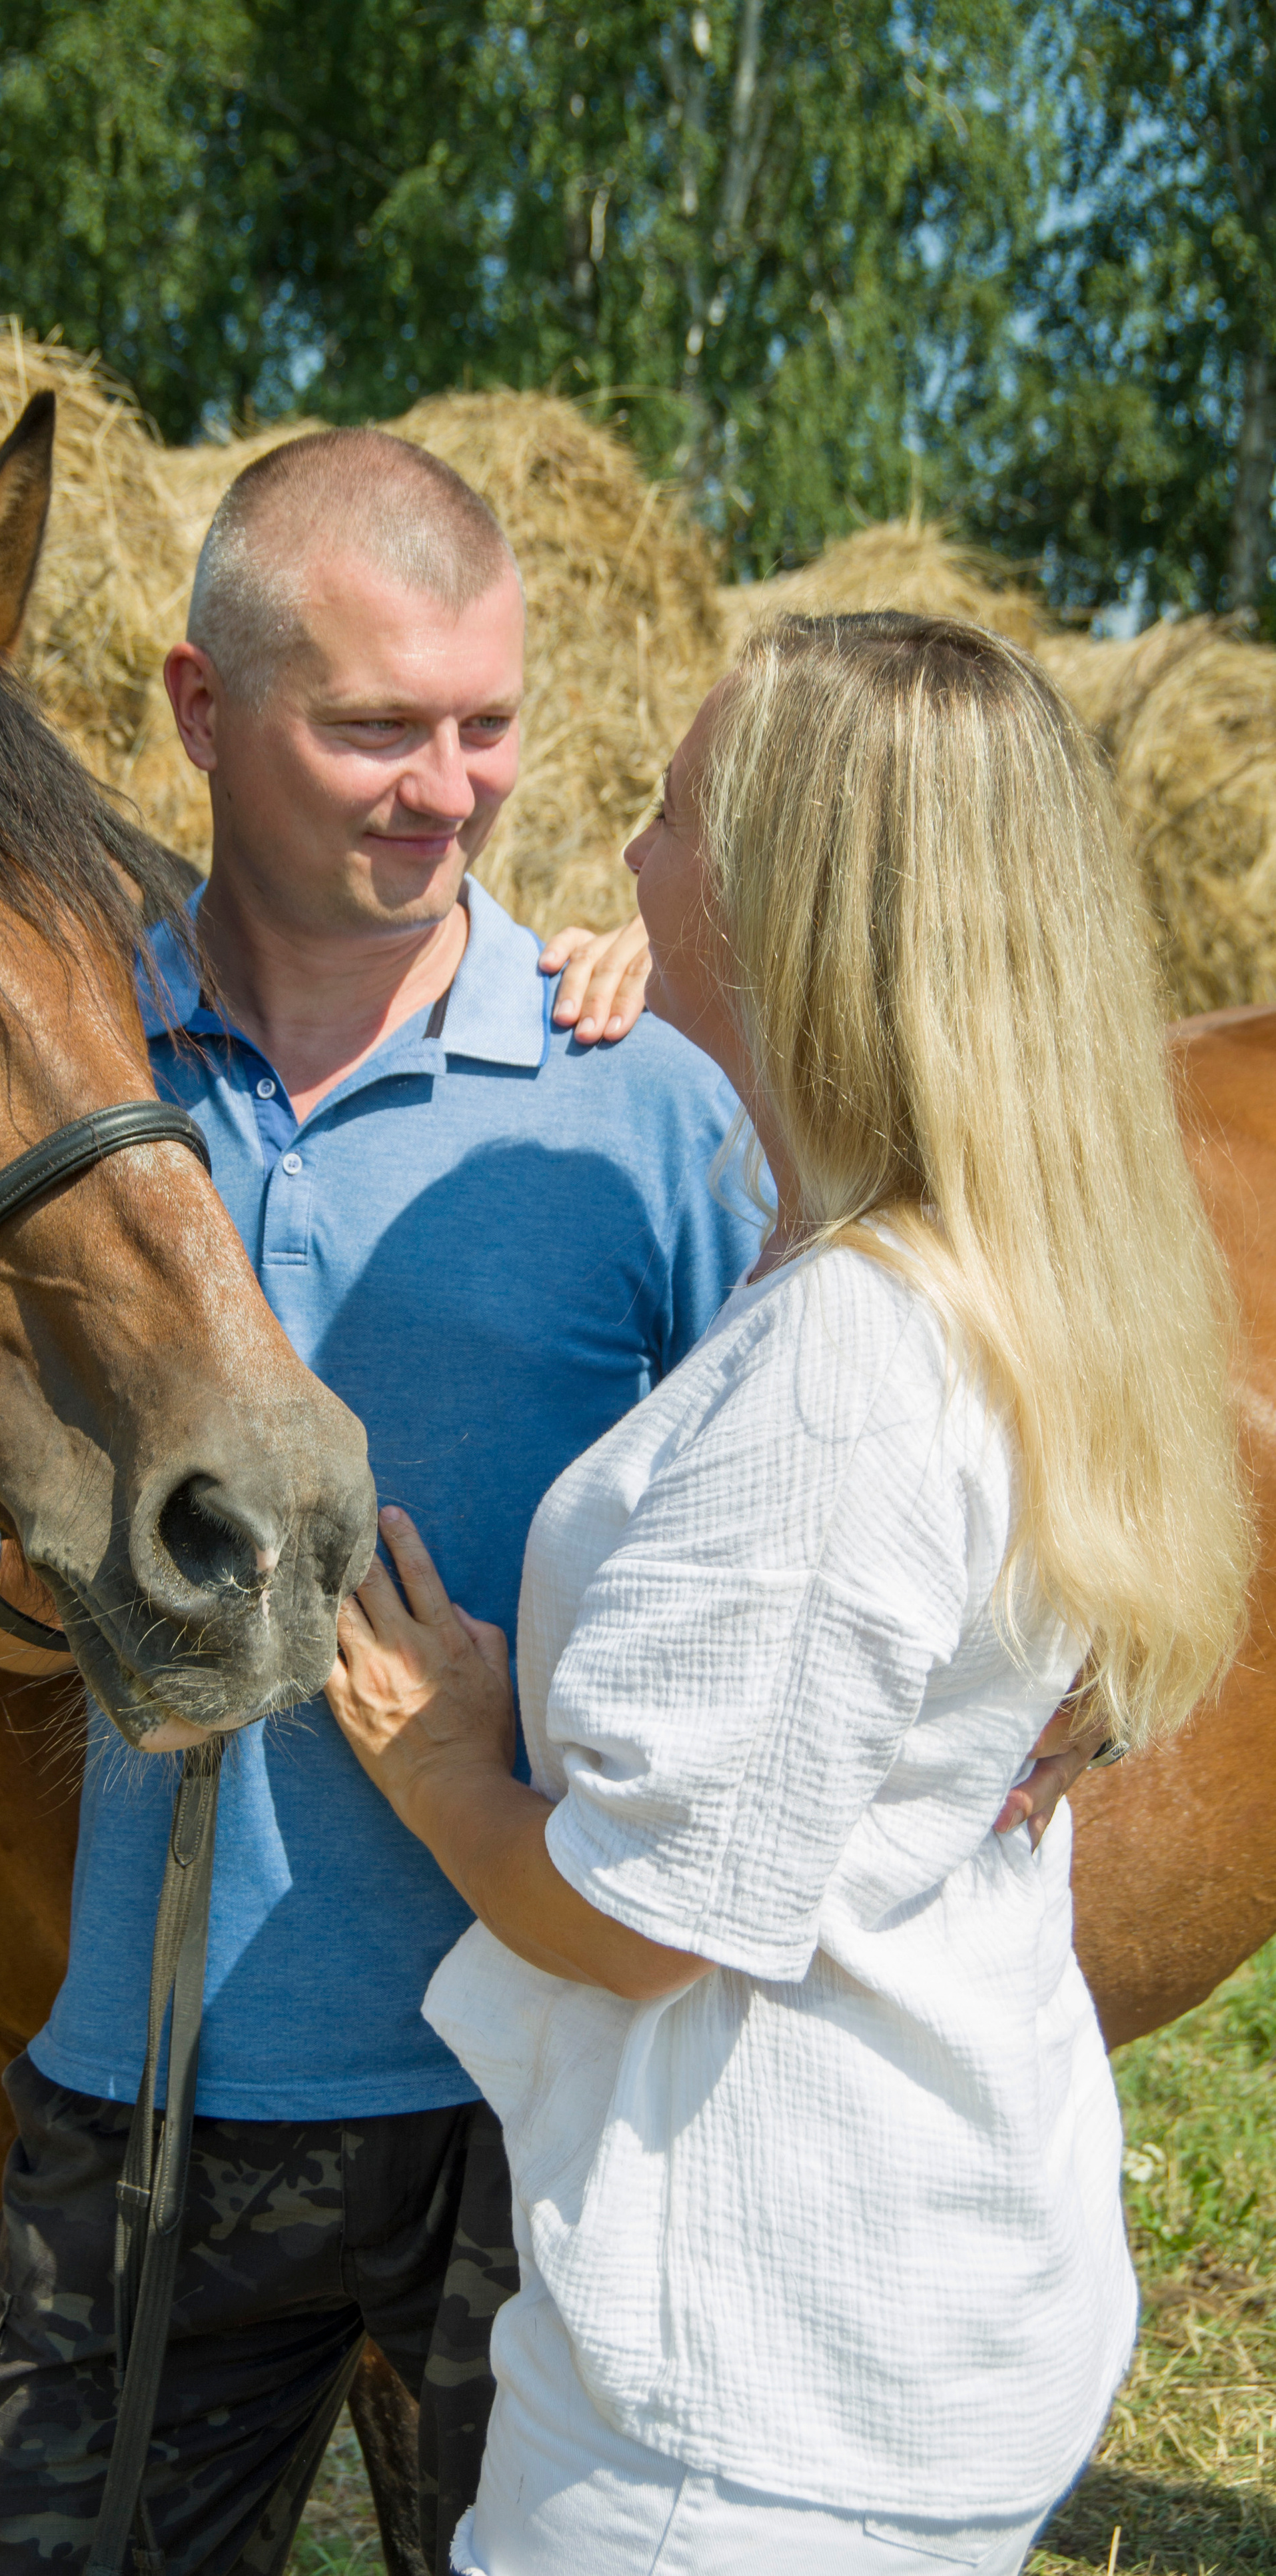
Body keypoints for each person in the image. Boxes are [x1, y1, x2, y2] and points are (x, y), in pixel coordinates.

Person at [0, 457, 1087, 2576]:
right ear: (199, 707)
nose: (449, 792)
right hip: (152, 2085)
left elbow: (901, 1441)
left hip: (533, 2104)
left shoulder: (645, 1100)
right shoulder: (61, 1070)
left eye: (489, 724)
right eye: (375, 726)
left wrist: (1060, 1667)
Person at [326, 611, 1254, 2576]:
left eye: (665, 814)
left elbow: (647, 1926)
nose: (625, 858)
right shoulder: (1000, 1258)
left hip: (745, 2418)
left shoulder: (846, 1369)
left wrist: (444, 1762)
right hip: (930, 2280)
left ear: (776, 901)